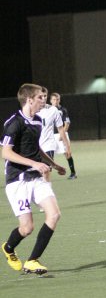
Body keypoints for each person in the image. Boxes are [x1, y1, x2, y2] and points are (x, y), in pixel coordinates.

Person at [1, 83, 66, 275]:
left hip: (35, 178)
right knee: (27, 227)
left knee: (54, 214)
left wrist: (53, 164)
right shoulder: (14, 123)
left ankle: (32, 261)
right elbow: (6, 153)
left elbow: (35, 148)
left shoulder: (38, 121)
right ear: (29, 100)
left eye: (44, 98)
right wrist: (34, 164)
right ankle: (8, 248)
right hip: (17, 180)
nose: (43, 101)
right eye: (40, 98)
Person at [37, 88, 71, 181]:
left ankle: (47, 191)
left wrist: (67, 146)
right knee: (35, 173)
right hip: (35, 146)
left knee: (46, 171)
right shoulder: (32, 110)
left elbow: (61, 129)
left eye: (45, 96)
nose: (43, 98)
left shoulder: (53, 110)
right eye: (40, 96)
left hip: (48, 145)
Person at [50, 92, 77, 179]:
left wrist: (62, 134)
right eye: (54, 99)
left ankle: (73, 173)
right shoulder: (48, 110)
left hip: (61, 134)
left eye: (57, 99)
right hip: (51, 135)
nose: (56, 101)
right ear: (51, 101)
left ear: (59, 100)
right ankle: (46, 175)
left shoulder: (63, 110)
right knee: (49, 154)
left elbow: (67, 123)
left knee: (67, 153)